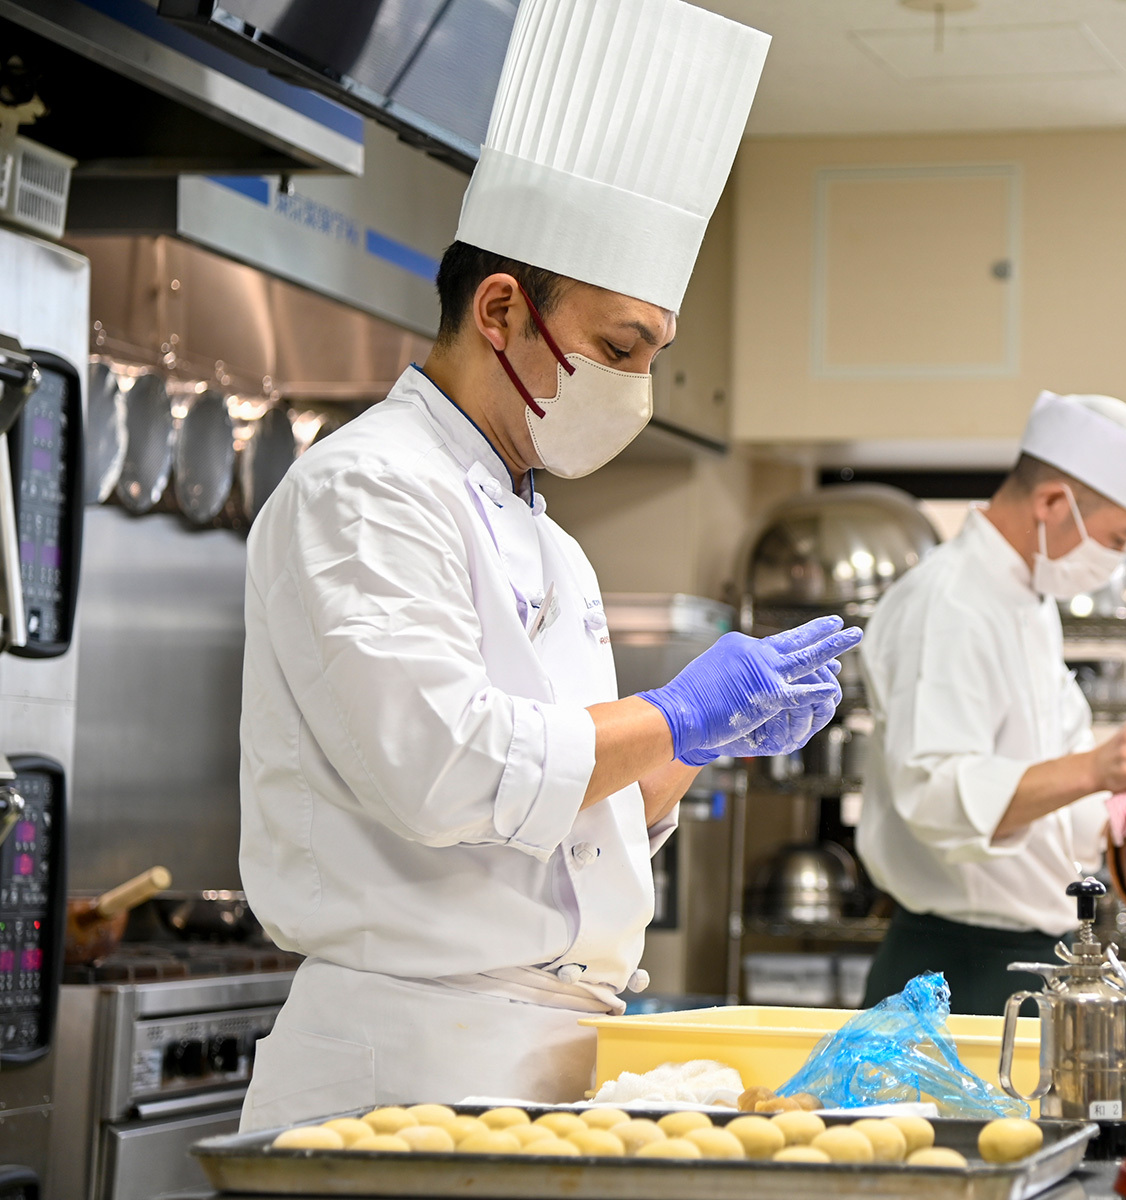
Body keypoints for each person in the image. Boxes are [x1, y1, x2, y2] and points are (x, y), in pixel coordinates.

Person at [236, 0, 857, 1129]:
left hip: (544, 1053)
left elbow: (565, 810)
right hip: (404, 1057)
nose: (637, 389)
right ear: (502, 308)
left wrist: (700, 752)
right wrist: (670, 716)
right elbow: (443, 769)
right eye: (621, 348)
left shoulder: (552, 544)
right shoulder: (367, 488)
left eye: (653, 357)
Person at [856, 391, 1126, 1016]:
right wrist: (1097, 768)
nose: (1116, 561)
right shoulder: (949, 604)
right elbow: (934, 794)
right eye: (1119, 539)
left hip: (1032, 954)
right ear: (1051, 503)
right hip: (957, 970)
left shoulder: (1027, 602)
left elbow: (1049, 776)